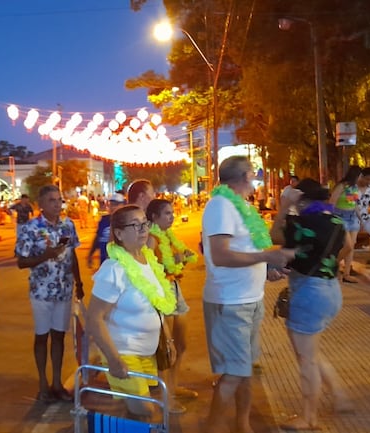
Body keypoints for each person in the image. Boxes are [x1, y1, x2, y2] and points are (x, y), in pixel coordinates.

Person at [201, 156, 294, 433]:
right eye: (253, 173)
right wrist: (267, 255)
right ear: (243, 176)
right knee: (234, 373)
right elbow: (220, 255)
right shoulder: (221, 206)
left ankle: (243, 426)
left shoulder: (241, 206)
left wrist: (266, 268)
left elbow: (245, 249)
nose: (255, 177)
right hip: (230, 302)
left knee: (244, 370)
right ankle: (212, 428)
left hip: (250, 298)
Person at [270, 178, 352, 430]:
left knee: (306, 359)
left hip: (308, 293)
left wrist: (284, 207)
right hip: (331, 291)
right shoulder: (336, 221)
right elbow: (348, 247)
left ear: (301, 199)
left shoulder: (299, 223)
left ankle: (309, 417)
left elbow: (273, 235)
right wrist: (325, 263)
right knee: (311, 352)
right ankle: (339, 395)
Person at [86, 205, 176, 419]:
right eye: (135, 225)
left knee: (139, 412)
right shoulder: (114, 270)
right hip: (123, 352)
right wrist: (113, 358)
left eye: (144, 223)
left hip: (148, 351)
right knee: (144, 410)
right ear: (118, 233)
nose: (143, 229)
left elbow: (158, 307)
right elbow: (94, 318)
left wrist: (169, 340)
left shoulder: (149, 261)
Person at [15, 184, 84, 403]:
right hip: (41, 292)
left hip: (64, 290)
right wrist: (46, 255)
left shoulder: (68, 224)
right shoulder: (30, 228)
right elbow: (21, 261)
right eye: (52, 200)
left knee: (59, 337)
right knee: (41, 337)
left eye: (59, 200)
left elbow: (72, 255)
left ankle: (57, 383)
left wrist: (79, 282)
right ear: (41, 204)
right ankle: (43, 385)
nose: (57, 204)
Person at [145, 198, 199, 414]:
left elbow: (172, 264)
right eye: (167, 213)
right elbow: (148, 269)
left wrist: (180, 260)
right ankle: (166, 397)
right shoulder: (151, 240)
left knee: (181, 344)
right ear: (154, 218)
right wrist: (170, 263)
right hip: (162, 295)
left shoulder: (168, 236)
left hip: (175, 289)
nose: (172, 216)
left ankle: (173, 387)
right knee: (168, 350)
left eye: (171, 212)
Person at [329, 165, 362, 283]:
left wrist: (361, 218)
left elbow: (355, 204)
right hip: (340, 216)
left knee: (351, 247)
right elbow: (332, 202)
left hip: (352, 216)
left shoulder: (354, 188)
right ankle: (335, 267)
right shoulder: (341, 186)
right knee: (345, 246)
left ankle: (346, 273)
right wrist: (331, 217)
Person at [86, 193, 126, 269]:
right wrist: (90, 254)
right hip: (104, 263)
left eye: (116, 204)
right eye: (111, 204)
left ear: (122, 205)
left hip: (119, 264)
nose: (113, 207)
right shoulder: (104, 220)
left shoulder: (125, 222)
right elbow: (98, 237)